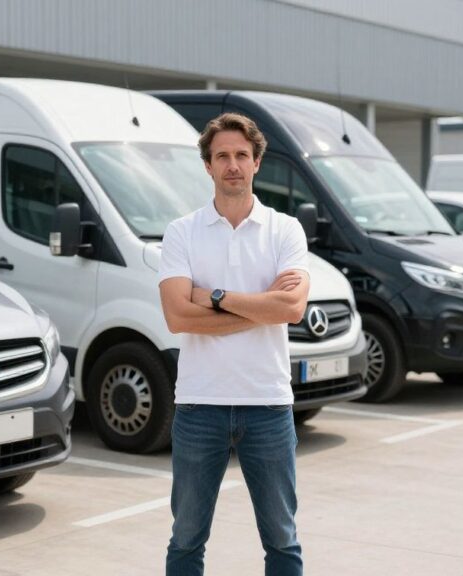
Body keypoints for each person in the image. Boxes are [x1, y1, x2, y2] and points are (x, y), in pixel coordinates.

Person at [158, 112, 310, 576]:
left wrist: (216, 297)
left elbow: (292, 310)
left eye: (242, 155)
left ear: (257, 162)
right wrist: (260, 307)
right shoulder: (181, 232)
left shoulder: (285, 230)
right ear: (207, 165)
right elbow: (177, 316)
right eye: (222, 156)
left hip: (267, 404)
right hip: (199, 407)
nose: (233, 165)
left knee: (282, 541)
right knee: (186, 540)